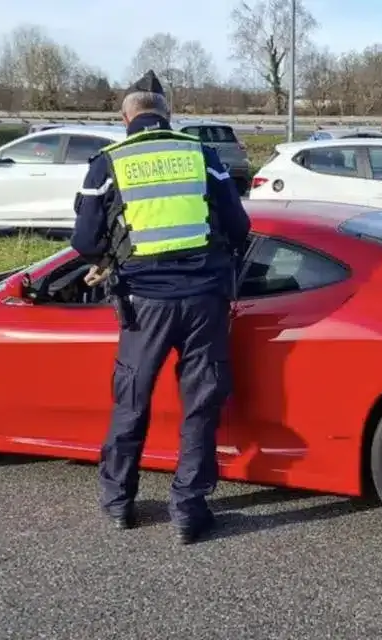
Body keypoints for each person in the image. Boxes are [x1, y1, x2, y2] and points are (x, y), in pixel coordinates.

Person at [70, 70, 251, 545]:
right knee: (201, 404)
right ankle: (189, 511)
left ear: (125, 116)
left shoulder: (107, 162)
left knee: (132, 401)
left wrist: (109, 257)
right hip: (204, 303)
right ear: (169, 114)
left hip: (143, 303)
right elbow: (238, 226)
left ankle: (118, 504)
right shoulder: (202, 155)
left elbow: (85, 240)